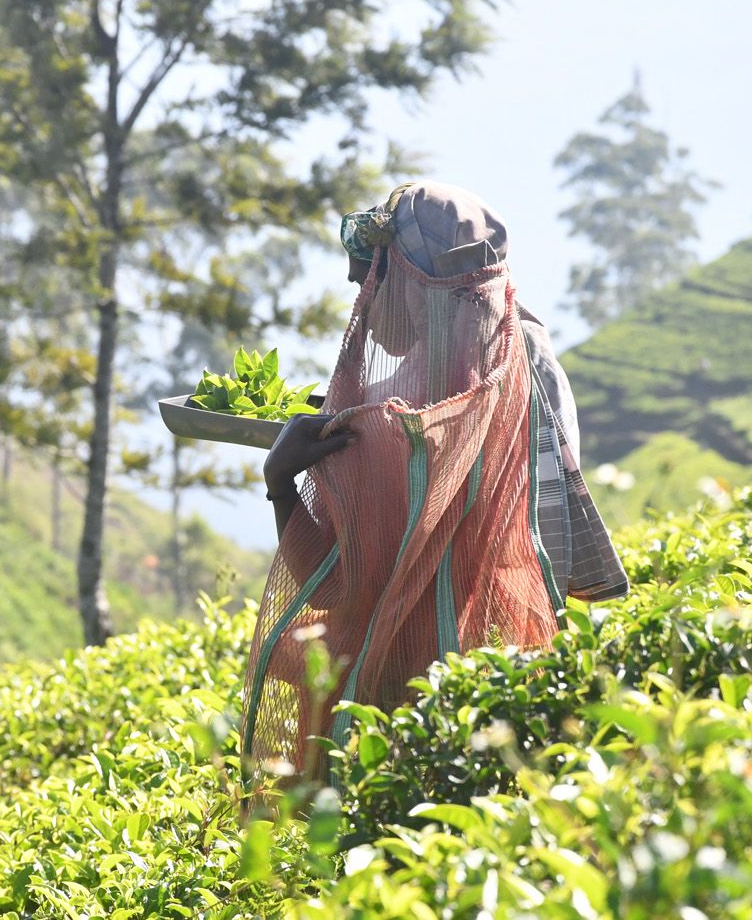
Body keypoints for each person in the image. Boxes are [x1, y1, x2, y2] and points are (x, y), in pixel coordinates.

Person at [241, 180, 628, 783]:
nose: (358, 283)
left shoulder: (388, 419)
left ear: (417, 287)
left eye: (378, 270)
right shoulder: (529, 366)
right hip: (503, 675)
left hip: (391, 698)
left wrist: (281, 481)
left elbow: (331, 585)